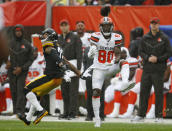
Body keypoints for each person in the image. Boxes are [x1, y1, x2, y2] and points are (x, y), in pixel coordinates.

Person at [17, 28, 81, 125]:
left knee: (26, 89)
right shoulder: (58, 46)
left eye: (46, 35)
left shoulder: (49, 46)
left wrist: (60, 63)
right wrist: (78, 73)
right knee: (36, 95)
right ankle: (28, 118)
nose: (43, 36)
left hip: (50, 77)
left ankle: (40, 110)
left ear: (51, 36)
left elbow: (53, 54)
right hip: (57, 79)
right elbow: (66, 61)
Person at [87, 16, 128, 127]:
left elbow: (118, 52)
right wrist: (91, 51)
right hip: (99, 69)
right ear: (100, 27)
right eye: (104, 26)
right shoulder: (95, 36)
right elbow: (91, 50)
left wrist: (117, 58)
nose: (106, 28)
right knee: (95, 93)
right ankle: (97, 119)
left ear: (111, 26)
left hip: (110, 66)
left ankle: (125, 83)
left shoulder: (117, 37)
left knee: (124, 62)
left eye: (108, 26)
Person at [131, 17, 171, 122]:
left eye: (156, 24)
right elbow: (140, 51)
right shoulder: (145, 38)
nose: (154, 25)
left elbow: (169, 53)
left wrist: (158, 59)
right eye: (152, 23)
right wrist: (148, 57)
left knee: (158, 93)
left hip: (159, 69)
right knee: (144, 92)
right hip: (147, 69)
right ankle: (141, 115)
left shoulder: (164, 38)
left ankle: (159, 116)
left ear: (158, 25)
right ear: (150, 25)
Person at [6, 24, 34, 117]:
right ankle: (15, 111)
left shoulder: (27, 44)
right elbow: (3, 55)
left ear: (22, 32)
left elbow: (31, 59)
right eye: (16, 31)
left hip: (22, 71)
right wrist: (6, 62)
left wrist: (22, 68)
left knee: (20, 90)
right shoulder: (9, 43)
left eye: (20, 31)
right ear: (14, 32)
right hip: (11, 71)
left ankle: (20, 111)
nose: (18, 32)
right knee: (13, 91)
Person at [58, 19, 82, 119]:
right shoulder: (59, 38)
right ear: (60, 27)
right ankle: (66, 112)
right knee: (64, 91)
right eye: (62, 25)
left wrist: (78, 69)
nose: (64, 27)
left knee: (73, 92)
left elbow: (80, 53)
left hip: (73, 65)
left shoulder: (75, 37)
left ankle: (73, 113)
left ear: (69, 26)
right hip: (63, 67)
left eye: (65, 25)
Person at [105, 47, 138, 118]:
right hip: (119, 82)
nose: (122, 54)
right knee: (107, 92)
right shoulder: (117, 62)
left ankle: (115, 112)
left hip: (130, 82)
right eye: (120, 53)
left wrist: (119, 79)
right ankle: (97, 110)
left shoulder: (131, 60)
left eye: (124, 52)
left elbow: (131, 75)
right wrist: (114, 79)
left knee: (117, 89)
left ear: (127, 53)